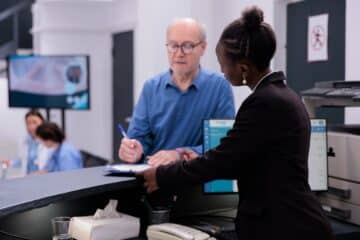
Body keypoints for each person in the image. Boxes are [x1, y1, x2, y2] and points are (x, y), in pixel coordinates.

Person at [140, 6, 335, 240]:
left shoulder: (264, 102)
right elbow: (241, 160)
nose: (222, 71)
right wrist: (202, 159)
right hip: (295, 222)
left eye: (223, 64)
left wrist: (162, 176)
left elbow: (223, 161)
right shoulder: (284, 95)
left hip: (285, 226)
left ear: (243, 68)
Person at [119, 18, 235, 166]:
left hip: (198, 180)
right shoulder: (151, 88)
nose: (179, 53)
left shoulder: (219, 86)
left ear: (203, 47)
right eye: (173, 46)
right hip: (156, 180)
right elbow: (138, 139)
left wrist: (180, 154)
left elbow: (223, 144)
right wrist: (133, 151)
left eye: (187, 46)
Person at [1, 109, 51, 176]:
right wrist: (9, 163)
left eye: (34, 122)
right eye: (28, 123)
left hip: (44, 179)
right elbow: (23, 161)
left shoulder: (49, 142)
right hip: (27, 179)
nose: (31, 126)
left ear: (42, 123)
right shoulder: (25, 142)